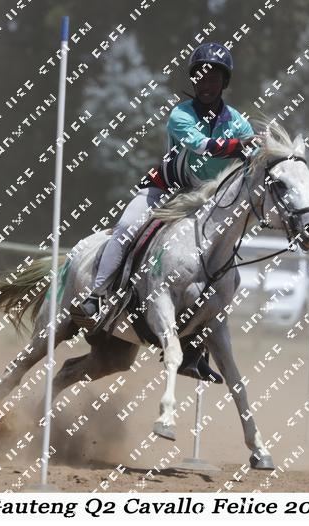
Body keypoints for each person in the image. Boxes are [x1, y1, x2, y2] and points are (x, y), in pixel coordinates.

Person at [74, 42, 258, 382]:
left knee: (220, 267)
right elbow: (201, 146)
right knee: (126, 228)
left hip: (205, 203)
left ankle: (195, 350)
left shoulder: (238, 122)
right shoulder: (180, 114)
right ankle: (96, 298)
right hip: (166, 191)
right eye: (201, 77)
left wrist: (265, 152)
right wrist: (240, 145)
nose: (207, 84)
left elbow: (254, 158)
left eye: (214, 78)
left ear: (224, 82)